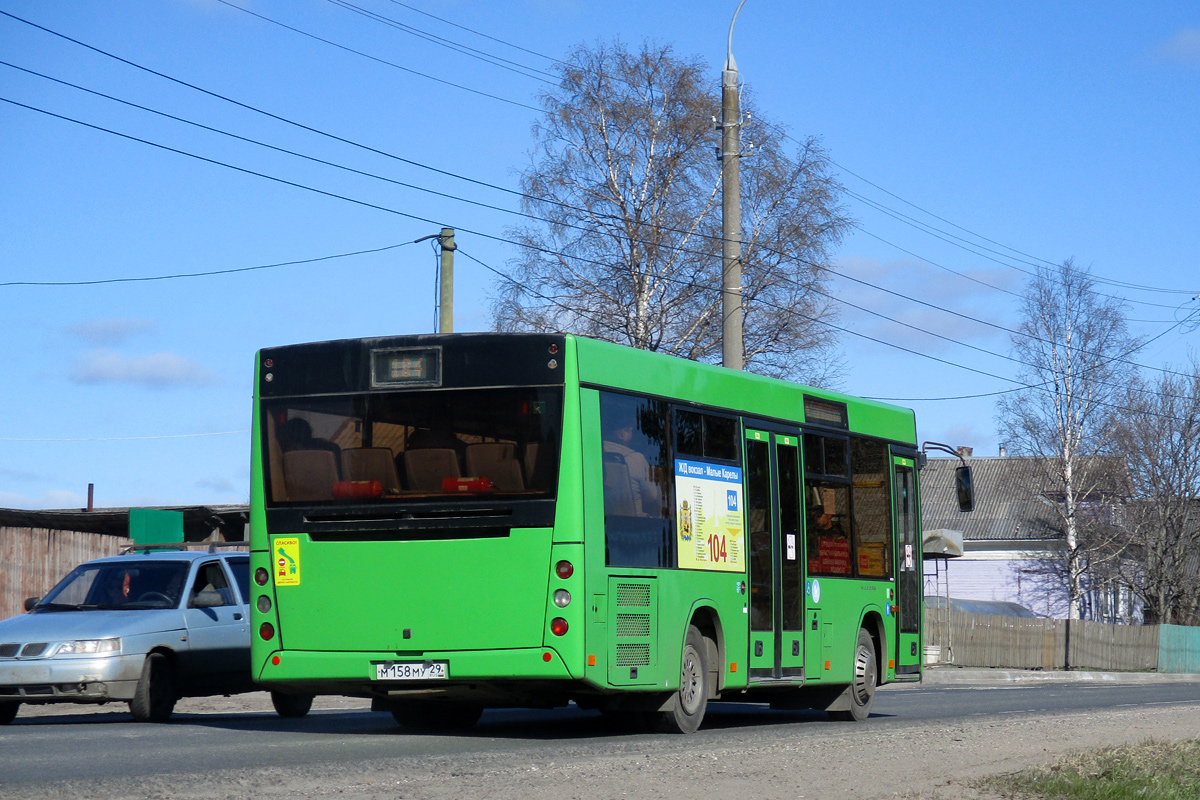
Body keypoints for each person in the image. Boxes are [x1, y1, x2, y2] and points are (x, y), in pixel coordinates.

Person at [603, 419, 660, 517]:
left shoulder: (597, 451)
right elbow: (651, 496)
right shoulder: (636, 458)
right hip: (634, 522)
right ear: (623, 433)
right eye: (630, 431)